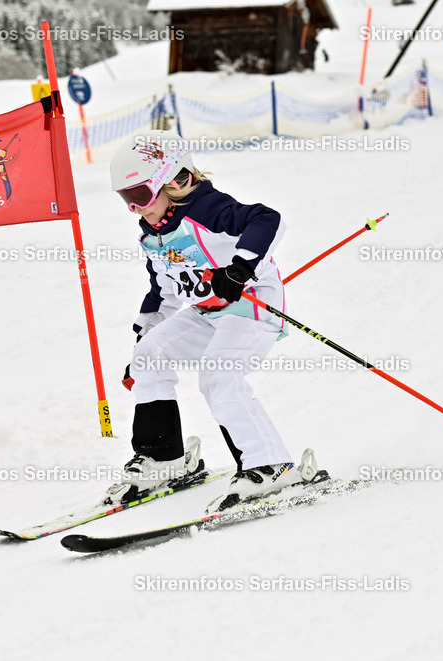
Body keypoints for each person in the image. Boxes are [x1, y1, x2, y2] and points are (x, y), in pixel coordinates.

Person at [105, 130, 315, 513]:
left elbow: (267, 219)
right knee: (150, 355)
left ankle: (269, 464)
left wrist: (239, 268)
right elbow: (163, 293)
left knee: (218, 372)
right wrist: (141, 343)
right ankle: (163, 459)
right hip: (208, 311)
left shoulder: (208, 208)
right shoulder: (153, 234)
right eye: (126, 200)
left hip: (251, 305)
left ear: (178, 180)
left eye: (140, 197)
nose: (135, 209)